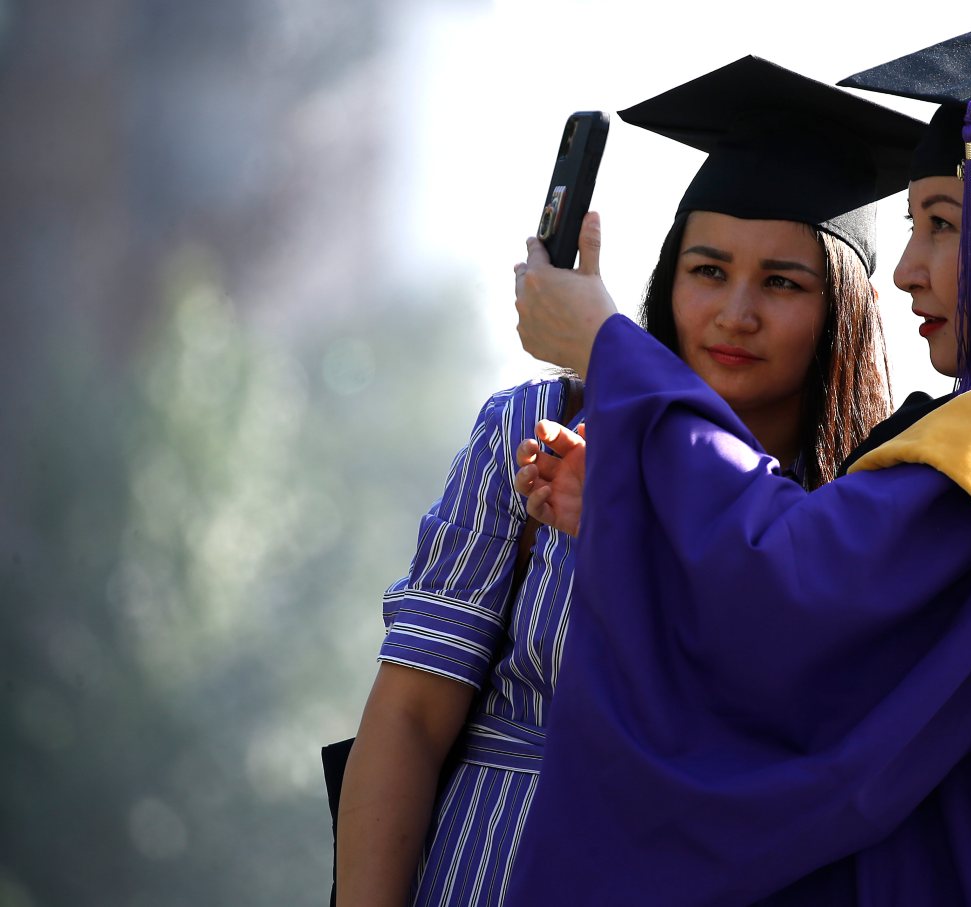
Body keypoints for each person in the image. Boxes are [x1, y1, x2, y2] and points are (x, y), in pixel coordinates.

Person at [507, 15, 971, 907]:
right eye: (910, 226)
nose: (905, 270)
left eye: (943, 224)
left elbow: (785, 597)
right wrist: (631, 507)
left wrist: (610, 352)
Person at [333, 56, 922, 907]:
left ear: (843, 309)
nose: (736, 313)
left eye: (782, 283)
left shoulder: (854, 514)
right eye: (708, 270)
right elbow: (409, 716)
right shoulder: (537, 428)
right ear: (667, 278)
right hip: (485, 872)